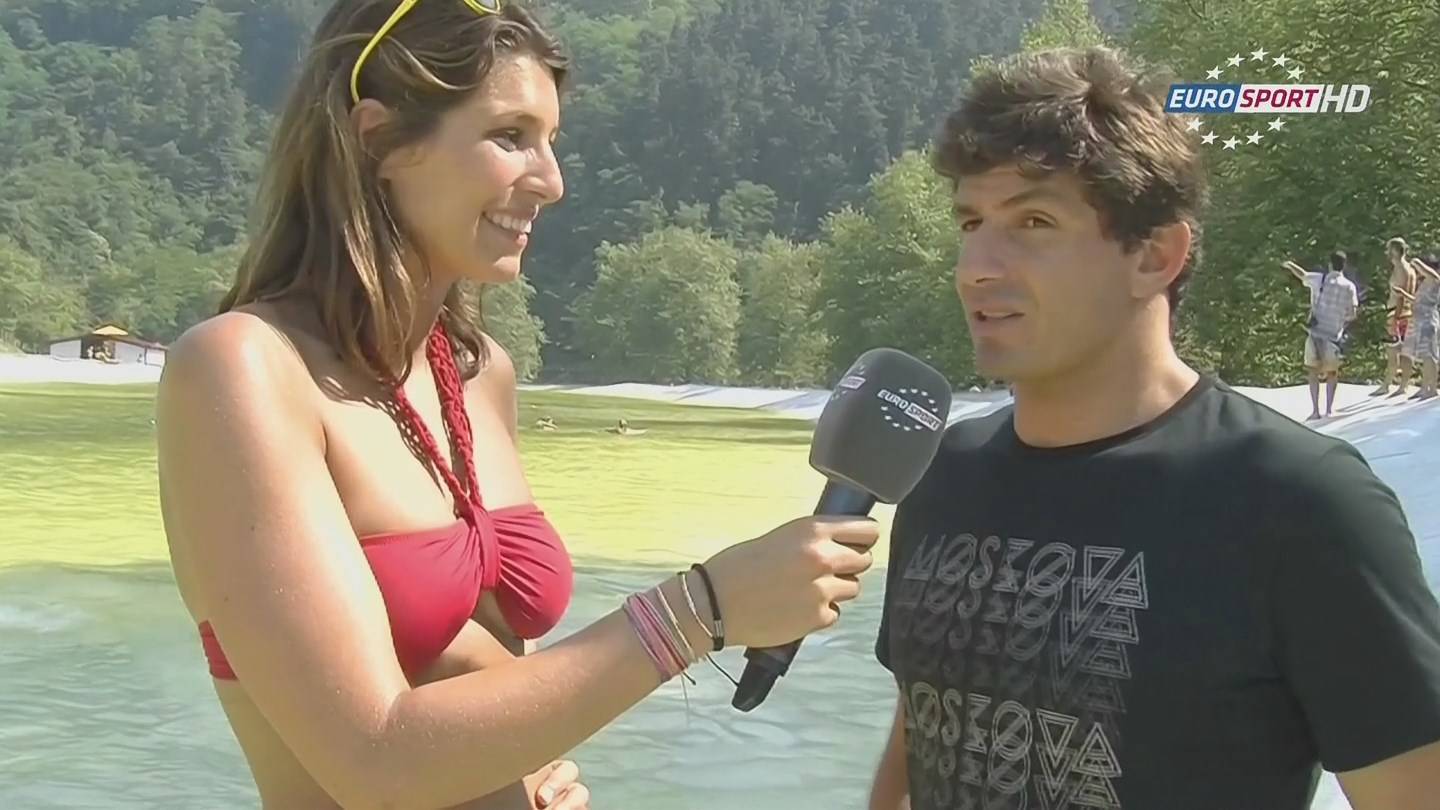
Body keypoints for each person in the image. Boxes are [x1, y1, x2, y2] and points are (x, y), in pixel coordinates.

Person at [153, 2, 879, 809]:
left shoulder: (481, 375)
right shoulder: (243, 369)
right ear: (378, 140)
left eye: (552, 140)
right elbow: (373, 760)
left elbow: (488, 680)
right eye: (510, 136)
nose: (551, 180)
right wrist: (701, 609)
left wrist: (529, 773)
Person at [867, 46, 1440, 810]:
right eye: (971, 222)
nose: (976, 265)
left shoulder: (1299, 503)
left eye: (1033, 221)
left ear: (1156, 255)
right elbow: (927, 733)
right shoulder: (942, 476)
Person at [1281, 252, 1358, 419]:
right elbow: (1352, 313)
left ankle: (1315, 410)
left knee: (1312, 371)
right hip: (1334, 336)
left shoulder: (1320, 280)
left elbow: (1302, 275)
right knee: (1332, 373)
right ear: (1344, 265)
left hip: (1315, 333)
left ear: (1330, 264)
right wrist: (1339, 318)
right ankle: (1329, 409)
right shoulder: (1349, 286)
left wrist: (1290, 265)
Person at [1374, 237, 1418, 396]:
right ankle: (1401, 385)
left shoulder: (1401, 269)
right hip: (1408, 313)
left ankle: (1388, 384)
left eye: (1389, 249)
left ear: (1395, 251)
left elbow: (1401, 296)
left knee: (1393, 351)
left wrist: (1395, 318)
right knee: (1405, 351)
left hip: (1397, 312)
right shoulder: (1410, 268)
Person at [1403, 251, 1440, 400]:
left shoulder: (1434, 279)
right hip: (1420, 321)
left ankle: (1432, 389)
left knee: (1430, 355)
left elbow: (1434, 276)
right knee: (1425, 356)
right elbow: (1418, 300)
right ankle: (1425, 387)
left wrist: (1417, 262)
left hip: (1428, 321)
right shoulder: (1425, 283)